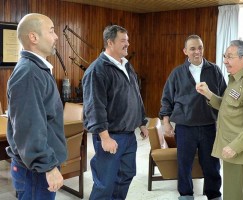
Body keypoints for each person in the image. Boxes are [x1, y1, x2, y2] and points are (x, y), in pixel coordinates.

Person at [82, 25, 148, 200]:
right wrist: (104, 137)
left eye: (127, 40)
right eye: (123, 40)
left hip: (128, 136)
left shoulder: (127, 66)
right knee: (105, 183)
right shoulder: (97, 70)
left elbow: (136, 95)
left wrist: (141, 122)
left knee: (125, 176)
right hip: (111, 136)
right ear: (110, 42)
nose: (128, 44)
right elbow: (94, 107)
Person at [196, 40, 243, 200]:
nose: (225, 61)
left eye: (230, 57)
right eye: (224, 56)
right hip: (232, 148)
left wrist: (235, 146)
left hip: (241, 150)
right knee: (236, 194)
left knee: (233, 196)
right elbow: (229, 107)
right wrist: (208, 94)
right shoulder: (236, 79)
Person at [6, 13, 67, 200]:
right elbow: (29, 127)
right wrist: (47, 165)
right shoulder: (29, 73)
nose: (56, 36)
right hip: (35, 171)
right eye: (51, 31)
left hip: (37, 168)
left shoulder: (36, 70)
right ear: (33, 37)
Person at [159, 35, 226, 200]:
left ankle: (214, 195)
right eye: (193, 48)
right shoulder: (177, 73)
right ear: (185, 51)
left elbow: (224, 97)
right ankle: (186, 195)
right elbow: (166, 99)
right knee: (184, 164)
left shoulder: (215, 70)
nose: (197, 51)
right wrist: (166, 122)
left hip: (209, 125)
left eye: (200, 47)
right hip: (184, 127)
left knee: (212, 164)